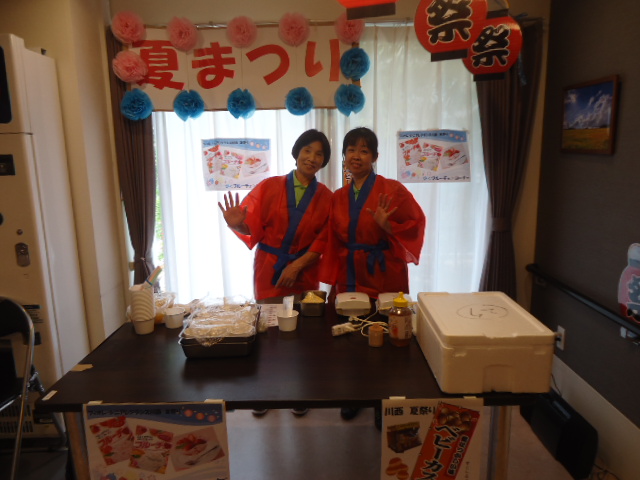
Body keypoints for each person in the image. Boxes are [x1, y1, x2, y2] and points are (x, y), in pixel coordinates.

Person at [218, 129, 333, 417]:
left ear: (324, 161)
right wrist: (236, 223)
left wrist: (297, 265)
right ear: (297, 153)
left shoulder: (327, 197)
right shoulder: (270, 186)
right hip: (269, 268)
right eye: (307, 150)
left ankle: (300, 390)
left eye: (319, 154)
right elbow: (252, 226)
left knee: (304, 330)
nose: (312, 158)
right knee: (268, 328)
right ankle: (265, 389)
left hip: (306, 269)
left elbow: (324, 239)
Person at [319, 127, 426, 424]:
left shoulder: (393, 190)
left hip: (384, 272)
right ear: (344, 156)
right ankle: (354, 395)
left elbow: (416, 223)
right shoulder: (338, 196)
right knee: (350, 336)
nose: (357, 156)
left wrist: (388, 226)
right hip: (349, 273)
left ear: (375, 157)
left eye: (364, 151)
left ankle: (383, 401)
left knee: (385, 334)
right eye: (351, 150)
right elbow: (331, 238)